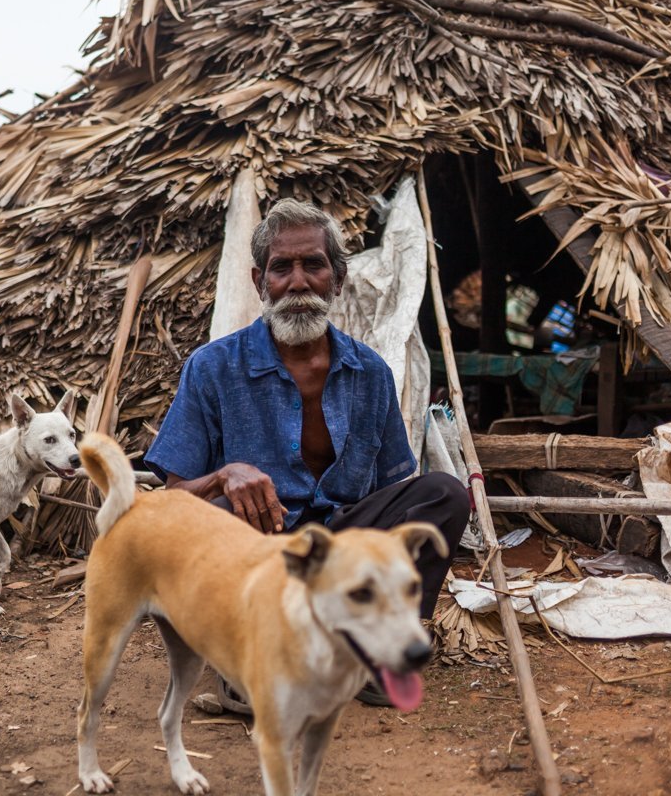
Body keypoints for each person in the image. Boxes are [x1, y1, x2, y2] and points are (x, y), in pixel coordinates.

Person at [144, 198, 470, 708]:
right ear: (259, 282)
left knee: (444, 495)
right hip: (259, 555)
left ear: (337, 278)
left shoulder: (371, 374)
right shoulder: (212, 369)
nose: (298, 282)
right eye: (281, 268)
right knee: (227, 509)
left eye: (313, 264)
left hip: (339, 548)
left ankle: (372, 648)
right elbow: (171, 503)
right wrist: (225, 474)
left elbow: (392, 492)